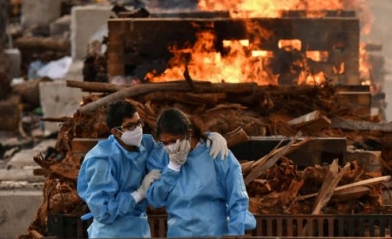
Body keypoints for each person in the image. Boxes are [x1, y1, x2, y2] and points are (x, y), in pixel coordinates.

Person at [76, 101, 228, 238]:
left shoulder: (146, 144)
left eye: (138, 123)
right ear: (115, 132)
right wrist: (138, 194)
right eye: (130, 126)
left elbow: (173, 144)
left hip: (139, 229)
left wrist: (207, 137)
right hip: (110, 233)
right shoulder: (101, 160)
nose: (137, 130)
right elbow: (103, 211)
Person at [146, 108, 257, 238]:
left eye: (173, 140)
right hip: (178, 234)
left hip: (214, 234)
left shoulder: (216, 152)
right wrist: (172, 168)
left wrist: (235, 234)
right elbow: (154, 199)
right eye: (165, 143)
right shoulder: (160, 157)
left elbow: (238, 199)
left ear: (189, 133)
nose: (169, 147)